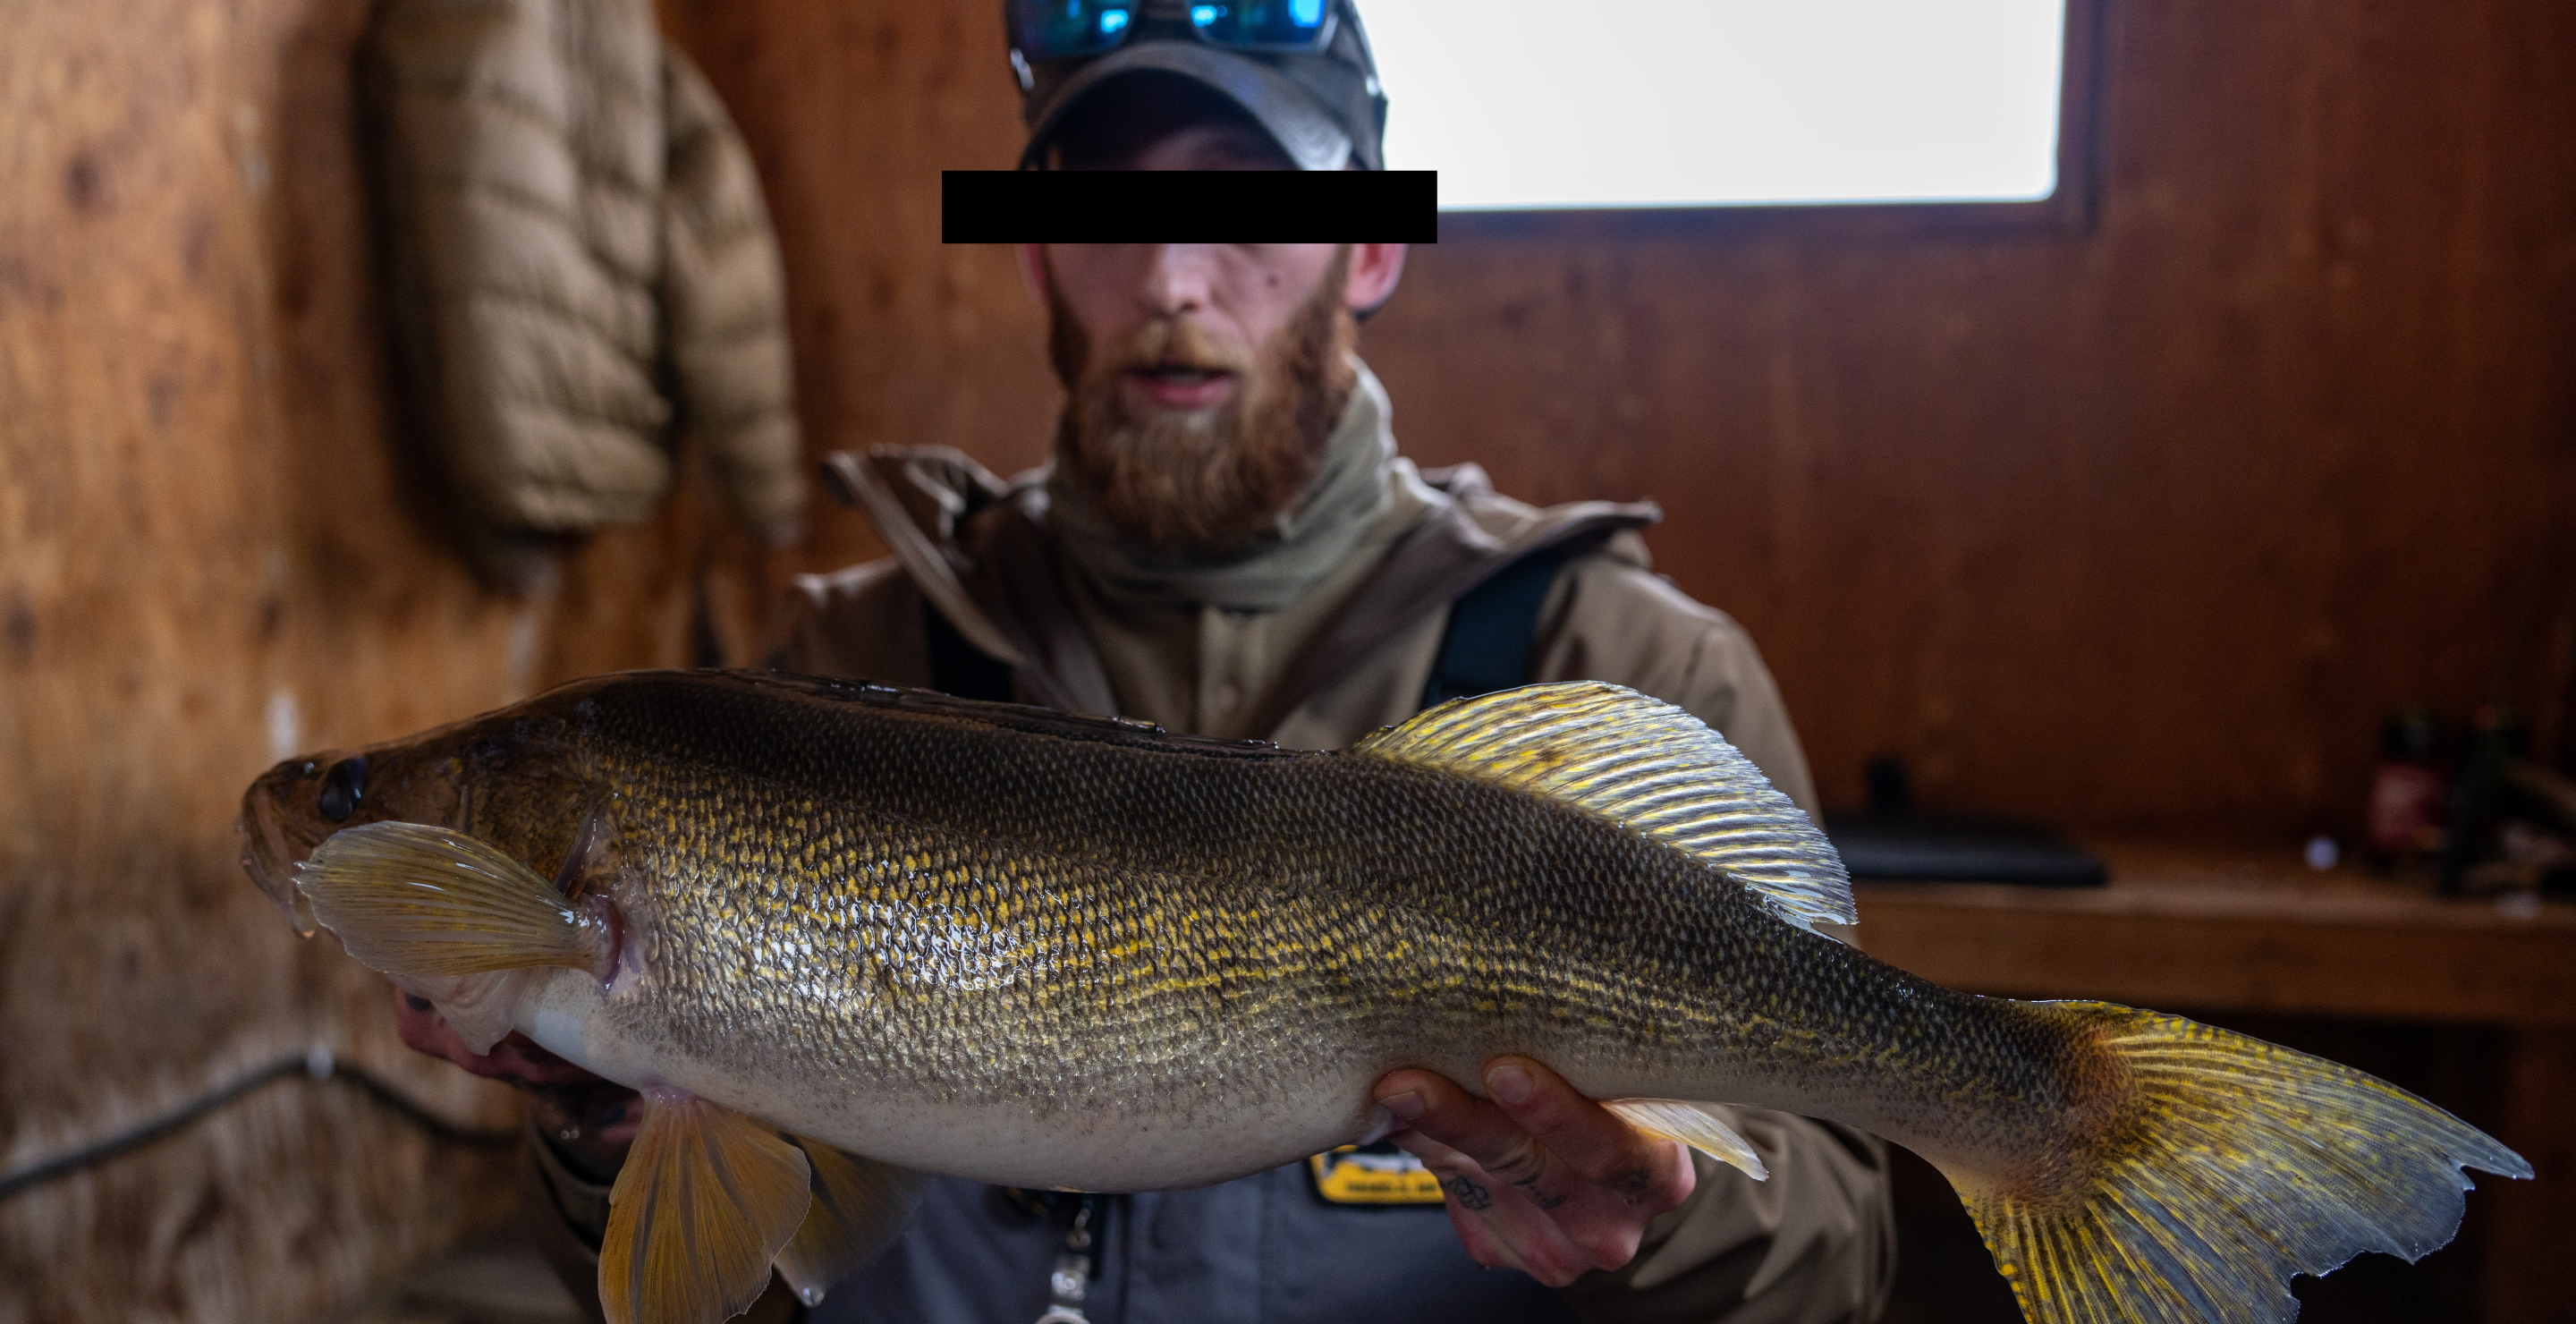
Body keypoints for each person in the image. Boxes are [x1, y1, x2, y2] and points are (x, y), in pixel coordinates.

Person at [397, 3, 1896, 1320]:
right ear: (1040, 251)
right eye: (1107, 214)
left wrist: (1673, 1219)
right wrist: (604, 1122)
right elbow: (723, 1291)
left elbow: (1838, 1261)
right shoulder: (830, 672)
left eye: (1247, 209)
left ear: (1370, 245)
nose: (1175, 278)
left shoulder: (1625, 668)